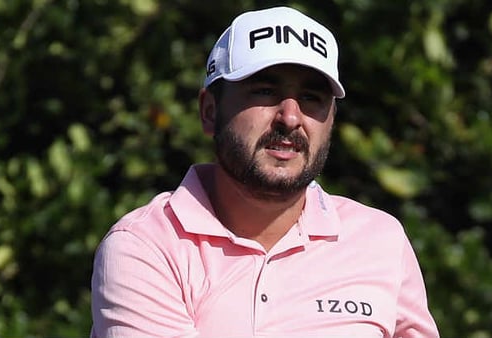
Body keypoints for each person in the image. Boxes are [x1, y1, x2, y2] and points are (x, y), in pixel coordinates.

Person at [90, 6, 439, 337]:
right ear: (210, 111)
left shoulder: (381, 240)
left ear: (331, 120)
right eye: (265, 91)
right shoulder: (145, 246)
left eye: (312, 98)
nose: (290, 117)